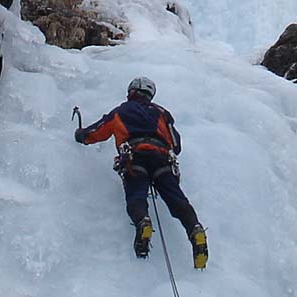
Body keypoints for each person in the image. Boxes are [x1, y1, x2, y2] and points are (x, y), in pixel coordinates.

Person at [74, 77, 208, 269]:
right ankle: (195, 228)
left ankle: (143, 222)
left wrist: (81, 135)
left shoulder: (122, 111)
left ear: (131, 92)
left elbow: (97, 131)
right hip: (162, 158)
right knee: (176, 199)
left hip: (134, 156)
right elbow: (176, 145)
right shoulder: (162, 113)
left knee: (136, 195)